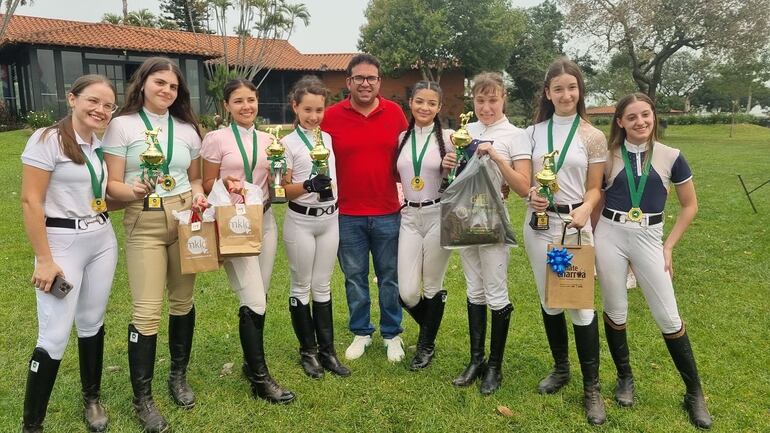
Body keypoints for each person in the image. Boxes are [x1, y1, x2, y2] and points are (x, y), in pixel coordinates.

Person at [102, 57, 207, 433]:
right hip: (142, 219)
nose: (166, 90)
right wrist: (131, 189)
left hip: (182, 218)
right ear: (143, 83)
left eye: (173, 86)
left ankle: (178, 377)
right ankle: (142, 398)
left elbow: (194, 180)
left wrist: (197, 196)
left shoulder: (187, 130)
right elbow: (111, 184)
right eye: (160, 82)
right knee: (146, 311)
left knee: (183, 302)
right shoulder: (121, 126)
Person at [595, 93, 711, 429]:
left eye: (645, 115)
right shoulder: (609, 155)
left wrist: (669, 246)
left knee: (668, 315)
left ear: (653, 116)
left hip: (649, 237)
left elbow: (690, 205)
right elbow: (596, 197)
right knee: (615, 308)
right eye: (631, 117)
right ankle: (625, 378)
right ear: (620, 122)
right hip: (610, 233)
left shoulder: (671, 156)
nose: (640, 122)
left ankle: (694, 392)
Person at [20, 74, 118, 433]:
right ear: (72, 99)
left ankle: (92, 399)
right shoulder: (47, 139)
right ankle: (33, 425)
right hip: (62, 245)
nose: (101, 109)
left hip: (102, 239)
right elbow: (31, 201)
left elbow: (100, 194)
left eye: (108, 105)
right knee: (55, 334)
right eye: (93, 100)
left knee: (92, 321)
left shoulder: (97, 145)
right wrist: (44, 259)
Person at [516, 58, 608, 425]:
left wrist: (586, 208)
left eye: (572, 87)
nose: (566, 94)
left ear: (579, 90)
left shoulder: (593, 136)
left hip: (574, 226)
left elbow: (595, 188)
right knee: (549, 300)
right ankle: (560, 368)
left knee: (580, 305)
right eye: (558, 89)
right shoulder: (532, 133)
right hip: (539, 224)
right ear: (547, 93)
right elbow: (526, 180)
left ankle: (592, 387)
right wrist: (532, 195)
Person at [200, 78, 295, 402]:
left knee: (259, 296)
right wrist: (225, 184)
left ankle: (247, 363)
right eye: (238, 101)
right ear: (227, 105)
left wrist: (287, 176)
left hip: (265, 220)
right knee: (254, 298)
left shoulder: (270, 139)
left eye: (251, 100)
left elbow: (279, 180)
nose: (246, 107)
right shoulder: (216, 139)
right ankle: (260, 378)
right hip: (234, 223)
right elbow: (206, 181)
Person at [441, 72, 530, 395]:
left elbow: (522, 186)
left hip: (492, 217)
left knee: (495, 291)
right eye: (480, 100)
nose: (486, 107)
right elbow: (453, 174)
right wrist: (449, 161)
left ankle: (495, 366)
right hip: (464, 216)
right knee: (474, 290)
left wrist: (496, 156)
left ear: (503, 98)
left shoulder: (515, 135)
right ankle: (476, 360)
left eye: (492, 100)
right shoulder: (465, 131)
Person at [320, 54, 409, 362]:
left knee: (389, 276)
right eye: (359, 78)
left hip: (387, 210)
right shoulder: (330, 117)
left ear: (379, 82)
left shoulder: (396, 113)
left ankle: (392, 333)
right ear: (349, 82)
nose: (366, 83)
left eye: (371, 78)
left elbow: (408, 158)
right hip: (345, 213)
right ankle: (361, 332)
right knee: (354, 276)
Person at [280, 76, 351, 379]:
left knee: (323, 285)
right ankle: (307, 351)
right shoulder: (286, 144)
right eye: (307, 109)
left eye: (319, 110)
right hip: (302, 220)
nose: (313, 116)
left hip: (329, 218)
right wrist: (308, 184)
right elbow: (282, 190)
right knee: (302, 285)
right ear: (295, 106)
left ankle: (328, 351)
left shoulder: (328, 139)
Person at [395, 81, 454, 370]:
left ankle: (426, 345)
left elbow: (468, 171)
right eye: (420, 101)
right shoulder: (401, 139)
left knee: (431, 285)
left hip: (438, 214)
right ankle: (430, 326)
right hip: (409, 216)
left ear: (439, 107)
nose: (425, 108)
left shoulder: (452, 137)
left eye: (431, 103)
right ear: (411, 103)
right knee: (406, 291)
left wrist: (456, 163)